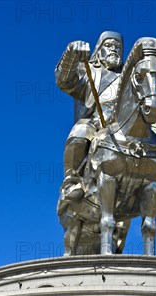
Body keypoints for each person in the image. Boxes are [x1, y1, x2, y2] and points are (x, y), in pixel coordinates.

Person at [55, 31, 124, 200]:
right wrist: (71, 53)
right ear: (99, 50)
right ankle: (72, 180)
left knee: (154, 135)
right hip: (95, 124)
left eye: (118, 47)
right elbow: (64, 81)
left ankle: (154, 183)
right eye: (108, 46)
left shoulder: (129, 75)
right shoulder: (89, 71)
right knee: (80, 130)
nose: (114, 50)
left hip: (123, 126)